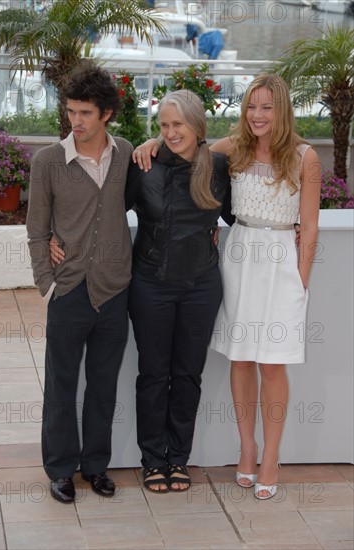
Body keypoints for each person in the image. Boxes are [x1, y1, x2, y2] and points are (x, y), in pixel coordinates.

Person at [132, 74, 320, 499]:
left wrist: (300, 282)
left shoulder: (305, 157)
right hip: (237, 262)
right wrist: (148, 144)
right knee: (240, 361)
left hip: (281, 267)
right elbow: (186, 145)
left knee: (273, 365)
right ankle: (247, 449)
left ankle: (271, 455)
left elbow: (308, 228)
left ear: (282, 110)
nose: (257, 115)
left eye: (267, 107)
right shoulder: (232, 148)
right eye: (252, 106)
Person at [26, 60, 133, 503]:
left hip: (114, 289)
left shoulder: (127, 153)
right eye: (71, 111)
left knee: (104, 385)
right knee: (61, 385)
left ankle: (95, 467)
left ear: (106, 112)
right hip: (68, 289)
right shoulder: (48, 161)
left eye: (85, 112)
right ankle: (60, 469)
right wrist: (46, 284)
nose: (76, 121)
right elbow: (36, 229)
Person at [126, 89, 233, 492]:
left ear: (197, 125)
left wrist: (296, 223)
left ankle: (178, 459)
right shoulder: (144, 165)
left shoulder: (218, 168)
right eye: (164, 126)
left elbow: (241, 215)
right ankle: (153, 460)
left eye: (178, 125)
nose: (171, 133)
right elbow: (108, 209)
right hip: (149, 284)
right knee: (153, 374)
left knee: (188, 375)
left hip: (201, 287)